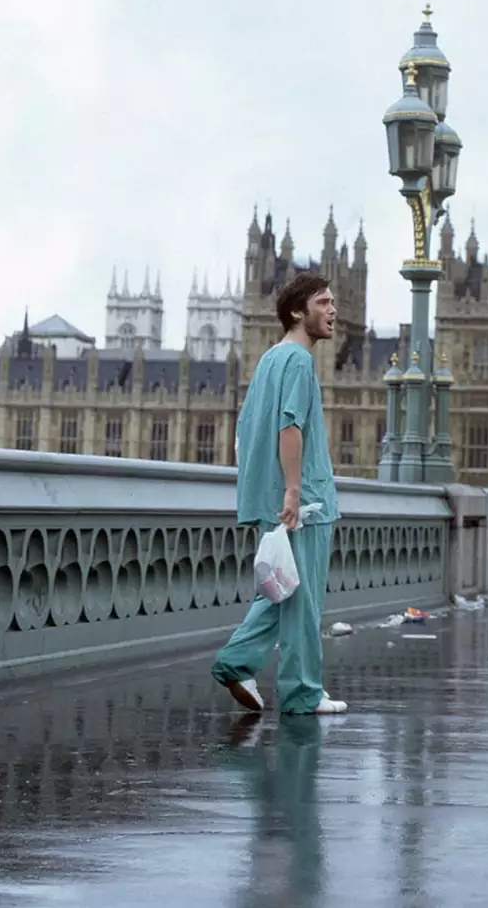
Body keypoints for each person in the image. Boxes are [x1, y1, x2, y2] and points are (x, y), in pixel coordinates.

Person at [212, 271, 347, 716]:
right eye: (323, 302)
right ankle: (302, 692)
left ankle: (236, 662)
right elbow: (290, 427)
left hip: (272, 497)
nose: (332, 311)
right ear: (297, 311)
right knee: (303, 599)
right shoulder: (300, 362)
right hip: (303, 499)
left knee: (282, 589)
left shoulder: (269, 360)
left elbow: (247, 429)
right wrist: (292, 491)